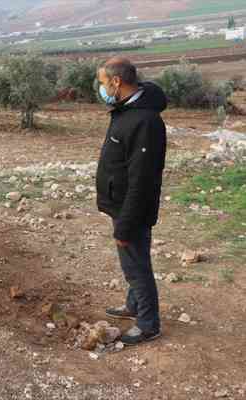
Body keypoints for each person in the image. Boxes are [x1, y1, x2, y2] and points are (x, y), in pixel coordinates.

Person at [95, 57, 167, 346]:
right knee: (133, 262)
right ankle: (134, 307)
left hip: (132, 209)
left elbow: (142, 180)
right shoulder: (127, 110)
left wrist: (125, 225)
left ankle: (148, 325)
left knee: (137, 268)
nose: (100, 88)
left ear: (116, 82)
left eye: (102, 82)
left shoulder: (145, 121)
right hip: (122, 205)